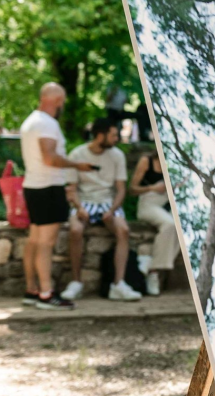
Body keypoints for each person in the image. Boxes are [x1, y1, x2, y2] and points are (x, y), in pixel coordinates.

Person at [20, 83, 95, 310]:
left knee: (35, 240)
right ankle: (46, 294)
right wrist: (77, 165)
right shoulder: (47, 124)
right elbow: (50, 158)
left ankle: (32, 290)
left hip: (33, 186)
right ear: (58, 101)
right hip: (48, 188)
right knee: (46, 243)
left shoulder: (31, 121)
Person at [62, 118, 142, 301]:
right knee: (75, 230)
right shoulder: (77, 154)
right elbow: (71, 189)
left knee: (123, 230)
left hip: (108, 202)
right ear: (100, 135)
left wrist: (112, 210)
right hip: (84, 201)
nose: (117, 138)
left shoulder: (117, 155)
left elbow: (121, 190)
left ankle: (118, 284)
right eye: (113, 135)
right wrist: (79, 208)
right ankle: (76, 283)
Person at [130, 150, 180, 296]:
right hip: (148, 204)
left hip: (165, 205)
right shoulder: (147, 161)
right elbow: (132, 189)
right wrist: (152, 188)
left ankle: (150, 266)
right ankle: (153, 271)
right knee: (170, 224)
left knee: (179, 228)